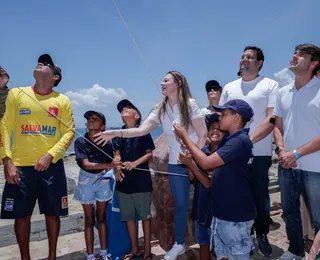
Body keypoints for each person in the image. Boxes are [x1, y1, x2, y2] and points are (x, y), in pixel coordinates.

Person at [94, 71, 207, 260]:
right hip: (175, 164)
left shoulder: (190, 105)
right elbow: (141, 130)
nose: (162, 83)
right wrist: (114, 133)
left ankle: (208, 242)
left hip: (197, 161)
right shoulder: (160, 108)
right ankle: (179, 244)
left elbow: (202, 134)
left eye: (166, 80)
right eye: (162, 80)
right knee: (180, 206)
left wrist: (194, 158)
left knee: (204, 203)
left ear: (178, 83)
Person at [0, 54, 75, 260]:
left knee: (53, 214)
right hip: (20, 167)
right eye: (40, 62)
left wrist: (50, 155)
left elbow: (69, 132)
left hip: (51, 167)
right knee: (20, 216)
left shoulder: (62, 100)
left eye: (47, 64)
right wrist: (6, 160)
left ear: (55, 77)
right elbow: (3, 126)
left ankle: (52, 257)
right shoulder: (16, 93)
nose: (41, 63)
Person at [174, 99, 255, 260]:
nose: (220, 118)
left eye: (224, 114)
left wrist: (185, 136)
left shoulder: (239, 141)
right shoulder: (232, 141)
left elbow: (205, 162)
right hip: (223, 215)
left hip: (235, 217)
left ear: (236, 117)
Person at [219, 46, 279, 257]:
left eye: (250, 57)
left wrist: (246, 142)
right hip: (232, 154)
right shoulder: (229, 87)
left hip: (259, 151)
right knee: (238, 194)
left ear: (259, 62)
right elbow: (222, 120)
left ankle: (261, 233)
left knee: (261, 195)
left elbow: (272, 118)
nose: (245, 60)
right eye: (243, 56)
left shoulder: (270, 84)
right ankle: (244, 233)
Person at [273, 43, 320, 260]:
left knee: (319, 219)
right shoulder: (283, 92)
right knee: (290, 212)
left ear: (314, 63)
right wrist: (282, 150)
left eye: (301, 54)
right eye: (294, 52)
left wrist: (297, 154)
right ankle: (295, 251)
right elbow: (277, 126)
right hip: (286, 165)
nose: (294, 56)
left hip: (315, 168)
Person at [112, 99, 155, 260]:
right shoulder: (118, 133)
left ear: (136, 115)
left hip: (142, 182)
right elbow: (116, 155)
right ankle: (135, 249)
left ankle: (148, 250)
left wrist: (135, 163)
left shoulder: (143, 132)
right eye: (122, 109)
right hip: (123, 183)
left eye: (127, 108)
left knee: (145, 216)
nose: (123, 109)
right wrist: (117, 167)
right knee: (129, 218)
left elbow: (149, 153)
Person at [179, 113, 226, 260]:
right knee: (203, 244)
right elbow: (192, 177)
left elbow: (208, 183)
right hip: (201, 208)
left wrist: (191, 163)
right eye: (212, 128)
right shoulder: (202, 152)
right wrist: (190, 160)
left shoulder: (225, 153)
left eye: (219, 129)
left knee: (222, 249)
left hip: (220, 212)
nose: (215, 131)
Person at [74, 110, 120, 260]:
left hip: (104, 180)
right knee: (88, 219)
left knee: (101, 217)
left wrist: (116, 163)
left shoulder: (109, 141)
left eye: (95, 119)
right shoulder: (80, 141)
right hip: (86, 180)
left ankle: (104, 253)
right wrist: (110, 164)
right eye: (89, 119)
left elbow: (117, 154)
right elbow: (86, 165)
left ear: (103, 126)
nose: (91, 120)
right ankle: (90, 256)